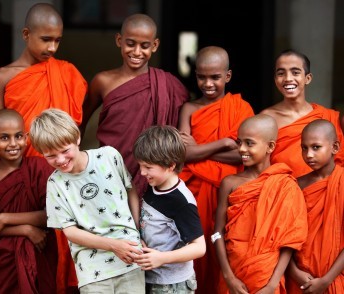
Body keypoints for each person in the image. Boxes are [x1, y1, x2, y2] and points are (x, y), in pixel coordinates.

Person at [29, 108, 145, 293]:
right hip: (93, 270)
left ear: (77, 138)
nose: (60, 160)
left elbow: (130, 191)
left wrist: (137, 232)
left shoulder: (109, 156)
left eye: (65, 150)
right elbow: (71, 232)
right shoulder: (55, 183)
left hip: (130, 258)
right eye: (50, 156)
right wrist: (114, 246)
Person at [80, 13, 189, 198]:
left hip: (152, 172)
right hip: (109, 170)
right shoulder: (103, 81)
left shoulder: (168, 85)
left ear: (154, 46)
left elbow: (182, 126)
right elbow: (80, 122)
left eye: (144, 46)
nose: (137, 52)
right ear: (119, 40)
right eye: (130, 44)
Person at [177, 45, 255, 293]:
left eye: (215, 77)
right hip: (196, 194)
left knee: (228, 250)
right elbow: (184, 153)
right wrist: (223, 143)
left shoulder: (241, 108)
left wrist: (200, 149)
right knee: (196, 251)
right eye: (202, 76)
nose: (208, 83)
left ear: (228, 76)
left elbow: (243, 154)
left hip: (231, 195)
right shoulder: (189, 108)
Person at [213, 114, 308, 293]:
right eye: (239, 142)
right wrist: (228, 277)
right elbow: (216, 233)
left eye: (249, 143)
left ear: (270, 146)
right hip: (233, 273)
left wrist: (272, 285)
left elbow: (289, 242)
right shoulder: (230, 183)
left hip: (267, 276)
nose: (241, 149)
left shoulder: (286, 185)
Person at [0, 2, 87, 159]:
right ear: (26, 34)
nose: (52, 48)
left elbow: (75, 127)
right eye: (46, 39)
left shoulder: (66, 73)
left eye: (57, 40)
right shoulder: (2, 77)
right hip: (18, 165)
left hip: (60, 164)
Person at [0, 109, 60, 294]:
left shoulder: (40, 167)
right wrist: (26, 229)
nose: (13, 144)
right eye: (4, 138)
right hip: (1, 258)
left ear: (26, 137)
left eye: (18, 136)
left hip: (39, 251)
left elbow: (52, 215)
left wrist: (5, 218)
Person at [132, 125, 206, 293]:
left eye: (148, 167)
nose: (142, 172)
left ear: (171, 165)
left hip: (173, 284)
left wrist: (161, 258)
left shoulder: (181, 202)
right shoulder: (155, 183)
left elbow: (199, 247)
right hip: (151, 276)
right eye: (141, 166)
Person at [260, 49, 344, 178]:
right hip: (284, 192)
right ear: (275, 79)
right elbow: (258, 164)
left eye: (295, 72)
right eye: (281, 73)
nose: (288, 79)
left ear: (307, 78)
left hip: (326, 191)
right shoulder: (266, 119)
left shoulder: (328, 118)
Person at [286, 119, 343, 294]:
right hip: (300, 276)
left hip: (334, 276)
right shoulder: (297, 185)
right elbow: (285, 236)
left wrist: (326, 280)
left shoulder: (342, 182)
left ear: (335, 147)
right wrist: (294, 271)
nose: (309, 154)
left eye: (316, 147)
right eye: (304, 148)